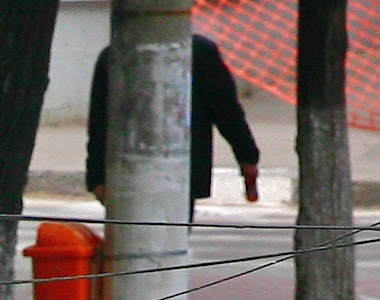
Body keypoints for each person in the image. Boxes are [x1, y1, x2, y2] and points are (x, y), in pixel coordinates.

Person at [86, 34, 264, 211]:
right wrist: (247, 157)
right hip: (167, 173)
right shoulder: (199, 52)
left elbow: (99, 123)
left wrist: (247, 157)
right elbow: (227, 111)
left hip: (144, 173)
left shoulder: (116, 55)